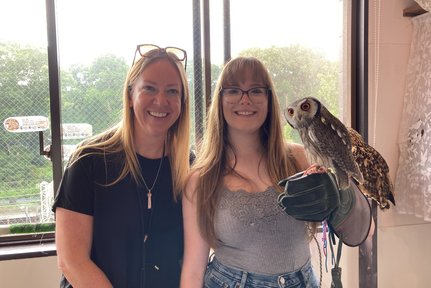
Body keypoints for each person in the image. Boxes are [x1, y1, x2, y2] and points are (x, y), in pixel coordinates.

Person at [180, 56, 372, 288]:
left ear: (270, 99)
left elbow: (365, 230)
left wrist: (342, 199)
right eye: (233, 90)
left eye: (256, 90)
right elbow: (193, 271)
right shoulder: (200, 181)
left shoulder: (300, 159)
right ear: (220, 99)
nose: (245, 99)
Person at [53, 44, 190, 288]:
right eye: (149, 88)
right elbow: (72, 260)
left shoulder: (189, 167)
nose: (161, 101)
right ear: (129, 95)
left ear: (182, 102)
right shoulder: (89, 160)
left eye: (172, 91)